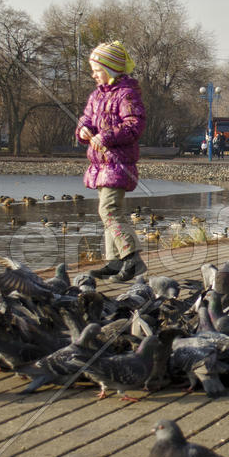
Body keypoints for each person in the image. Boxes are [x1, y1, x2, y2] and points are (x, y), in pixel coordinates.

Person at [76, 41, 147, 282]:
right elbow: (86, 119)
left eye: (96, 69)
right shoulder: (96, 96)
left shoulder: (126, 94)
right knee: (108, 212)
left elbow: (134, 125)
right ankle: (114, 261)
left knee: (109, 209)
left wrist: (105, 136)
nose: (93, 74)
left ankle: (132, 258)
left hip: (119, 164)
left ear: (111, 69)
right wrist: (84, 130)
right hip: (101, 165)